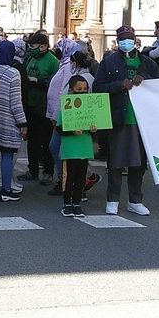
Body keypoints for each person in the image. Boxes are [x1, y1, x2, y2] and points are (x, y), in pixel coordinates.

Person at [92, 25, 159, 216]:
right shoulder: (109, 62)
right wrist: (119, 85)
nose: (126, 42)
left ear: (135, 40)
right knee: (116, 161)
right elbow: (97, 88)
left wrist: (144, 78)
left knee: (139, 162)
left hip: (141, 120)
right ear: (117, 41)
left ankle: (135, 200)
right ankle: (112, 199)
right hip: (118, 118)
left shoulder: (147, 62)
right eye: (123, 39)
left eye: (129, 38)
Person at [0, 43, 27, 202]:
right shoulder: (13, 73)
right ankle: (6, 190)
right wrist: (22, 123)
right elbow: (15, 102)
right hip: (7, 120)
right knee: (7, 154)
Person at [20, 31, 58, 185]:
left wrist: (39, 82)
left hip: (44, 106)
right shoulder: (30, 58)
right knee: (32, 139)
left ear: (43, 46)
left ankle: (48, 171)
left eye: (33, 45)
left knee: (46, 139)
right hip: (29, 103)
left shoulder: (53, 61)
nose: (30, 48)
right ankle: (33, 169)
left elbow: (55, 84)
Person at [59, 75, 99, 218]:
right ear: (71, 90)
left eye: (84, 89)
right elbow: (59, 128)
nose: (82, 92)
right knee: (69, 177)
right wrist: (71, 131)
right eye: (78, 89)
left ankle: (77, 202)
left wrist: (95, 129)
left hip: (84, 148)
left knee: (81, 177)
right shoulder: (66, 106)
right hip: (70, 149)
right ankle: (66, 203)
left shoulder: (89, 106)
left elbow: (96, 124)